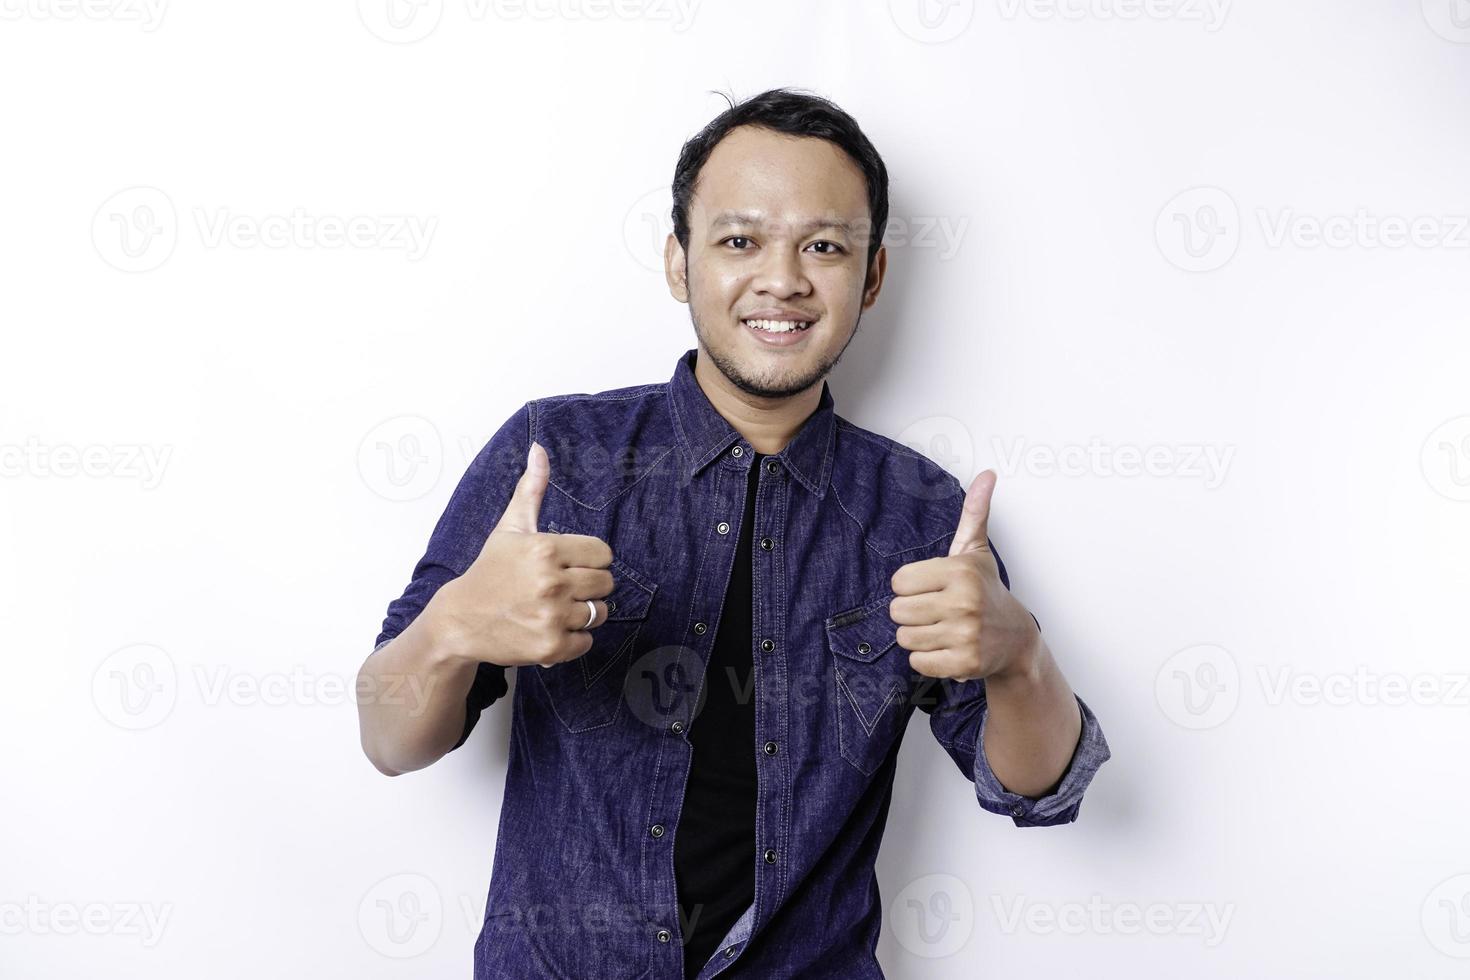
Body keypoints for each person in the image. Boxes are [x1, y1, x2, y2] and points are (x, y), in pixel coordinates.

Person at [356, 86, 1111, 980]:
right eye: (740, 239)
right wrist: (450, 629)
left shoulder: (923, 513)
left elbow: (1037, 790)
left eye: (824, 246)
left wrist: (1020, 655)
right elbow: (390, 740)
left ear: (871, 278)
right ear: (681, 262)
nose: (782, 278)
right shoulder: (555, 459)